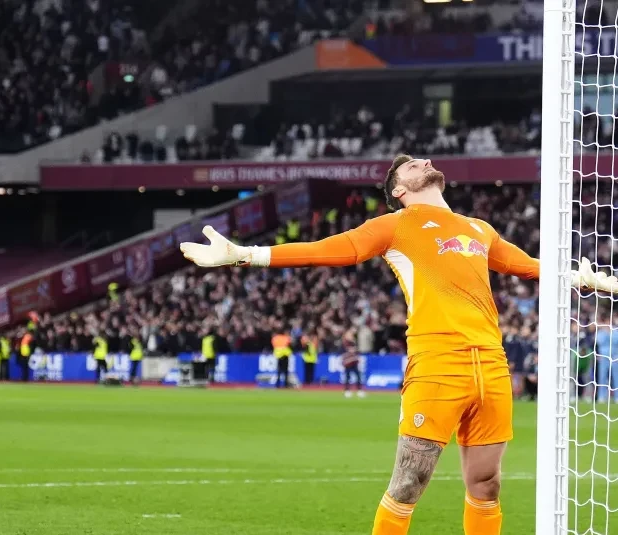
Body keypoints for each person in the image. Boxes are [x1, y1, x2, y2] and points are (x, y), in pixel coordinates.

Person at [180, 155, 550, 535]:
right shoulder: (397, 225)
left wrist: (583, 277)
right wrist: (247, 255)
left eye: (420, 160)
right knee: (408, 484)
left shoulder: (479, 228)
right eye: (410, 167)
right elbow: (327, 249)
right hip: (438, 365)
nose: (423, 160)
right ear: (399, 191)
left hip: (492, 365)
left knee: (488, 485)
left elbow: (529, 266)